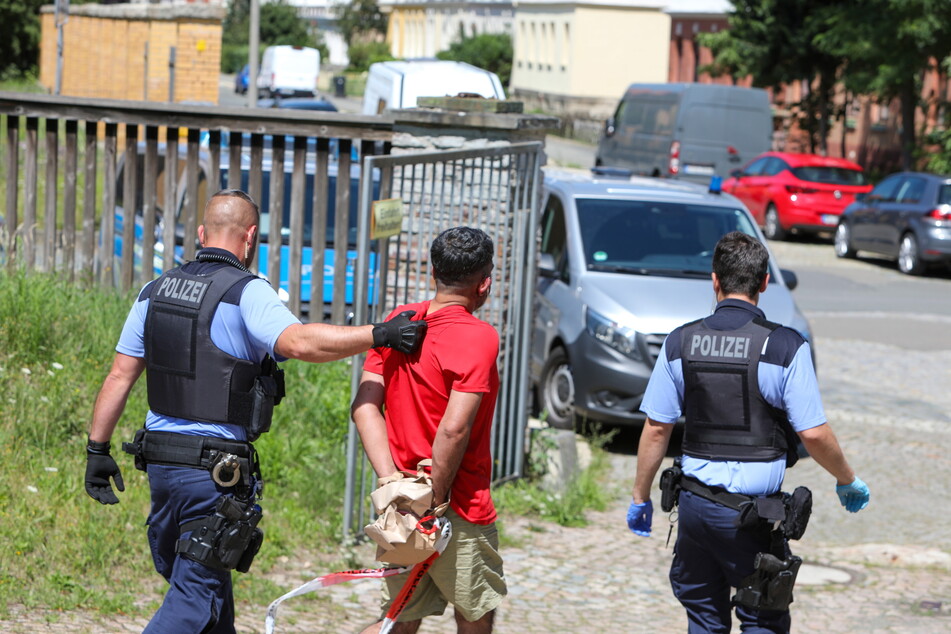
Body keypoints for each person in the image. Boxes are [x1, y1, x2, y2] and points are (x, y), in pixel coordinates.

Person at [83, 189, 427, 634]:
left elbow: (119, 376)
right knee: (192, 598)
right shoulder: (246, 291)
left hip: (163, 466)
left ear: (202, 233)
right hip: (214, 474)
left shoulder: (154, 290)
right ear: (251, 239)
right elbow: (299, 343)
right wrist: (379, 333)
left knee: (208, 586)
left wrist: (97, 449)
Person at [628, 231, 870, 633]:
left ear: (714, 280)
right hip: (751, 519)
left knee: (704, 620)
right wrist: (847, 479)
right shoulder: (784, 347)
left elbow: (656, 429)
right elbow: (812, 434)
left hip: (694, 510)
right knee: (763, 616)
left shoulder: (680, 342)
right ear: (763, 283)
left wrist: (640, 497)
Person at [351, 226, 507, 634]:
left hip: (402, 502)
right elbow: (453, 431)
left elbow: (365, 407)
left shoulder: (396, 322)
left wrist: (392, 483)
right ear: (485, 282)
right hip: (458, 505)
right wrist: (433, 501)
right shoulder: (479, 338)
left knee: (399, 618)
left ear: (432, 271)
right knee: (475, 616)